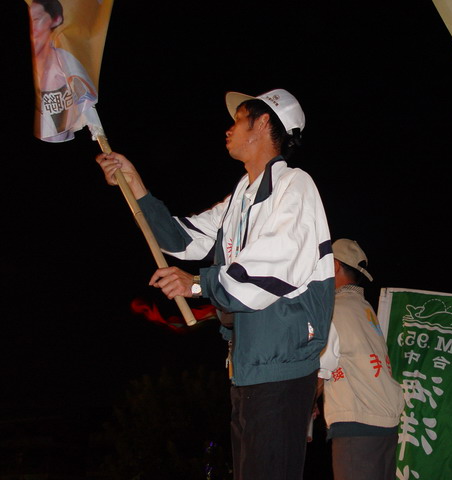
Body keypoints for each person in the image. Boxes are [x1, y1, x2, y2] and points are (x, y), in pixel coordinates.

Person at [96, 88, 335, 480]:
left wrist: (197, 284)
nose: (228, 129)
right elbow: (181, 239)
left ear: (263, 122)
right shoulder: (241, 196)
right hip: (249, 364)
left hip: (281, 363)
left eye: (238, 119)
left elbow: (272, 265)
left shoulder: (295, 185)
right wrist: (133, 182)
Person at [317, 239, 404, 480]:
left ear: (334, 266)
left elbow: (320, 368)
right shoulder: (364, 309)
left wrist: (301, 407)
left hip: (358, 425)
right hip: (384, 425)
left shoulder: (334, 309)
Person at [28, 0, 99, 142]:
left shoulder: (64, 60)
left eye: (36, 20)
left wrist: (97, 128)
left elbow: (84, 96)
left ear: (55, 20)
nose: (32, 27)